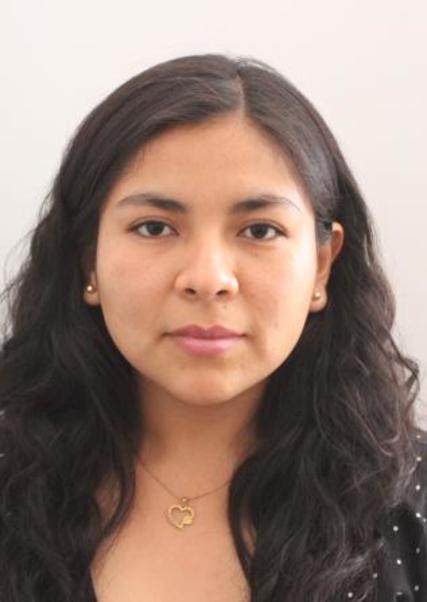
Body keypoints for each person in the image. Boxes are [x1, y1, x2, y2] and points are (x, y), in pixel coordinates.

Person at [0, 53, 425, 602]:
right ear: (89, 262)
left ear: (322, 265)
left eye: (260, 230)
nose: (207, 279)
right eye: (154, 227)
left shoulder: (410, 504)